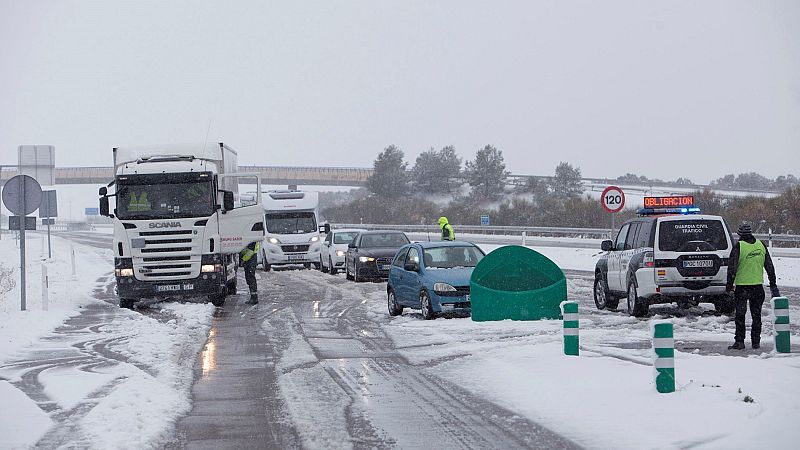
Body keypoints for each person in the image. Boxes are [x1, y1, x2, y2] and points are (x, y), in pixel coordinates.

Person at [725, 222, 779, 350]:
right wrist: (773, 284)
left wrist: (729, 284)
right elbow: (769, 266)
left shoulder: (739, 246)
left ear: (739, 234)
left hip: (742, 287)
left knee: (740, 315)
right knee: (756, 316)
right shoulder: (761, 245)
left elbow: (732, 268)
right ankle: (756, 342)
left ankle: (739, 342)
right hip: (757, 288)